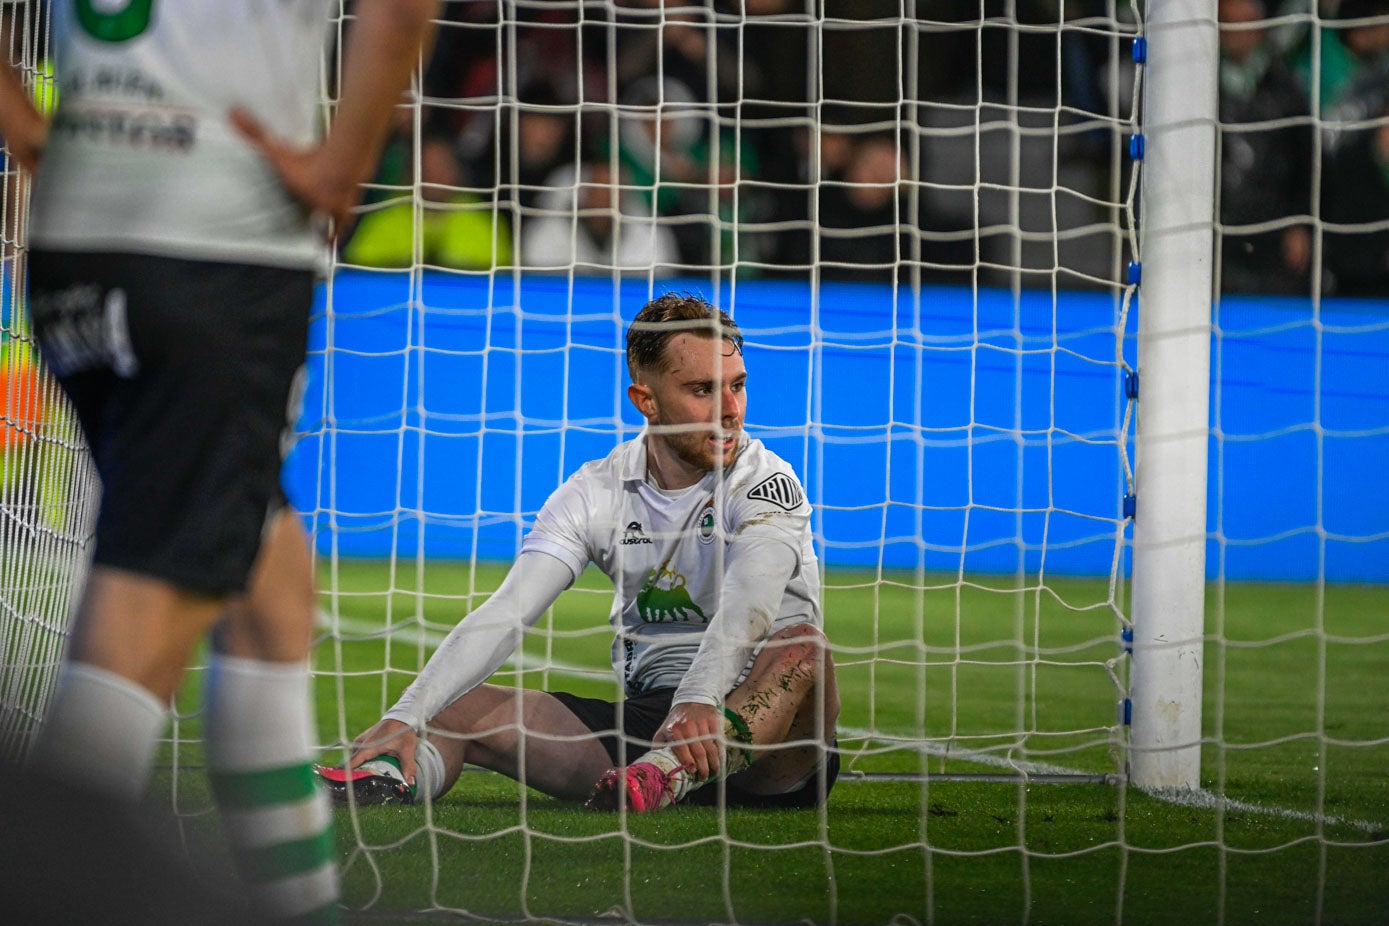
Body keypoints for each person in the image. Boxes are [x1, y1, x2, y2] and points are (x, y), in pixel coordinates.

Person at [0, 1, 437, 922]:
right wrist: (344, 164)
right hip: (218, 248)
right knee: (149, 608)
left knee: (268, 584)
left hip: (75, 245)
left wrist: (19, 115)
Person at [319, 293, 839, 813]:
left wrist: (697, 701)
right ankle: (381, 781)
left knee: (803, 646)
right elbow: (507, 611)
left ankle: (667, 774)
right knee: (454, 709)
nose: (730, 411)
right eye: (702, 390)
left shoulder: (767, 482)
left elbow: (751, 605)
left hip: (771, 742)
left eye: (737, 386)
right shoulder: (596, 491)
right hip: (650, 728)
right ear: (647, 400)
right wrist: (405, 714)